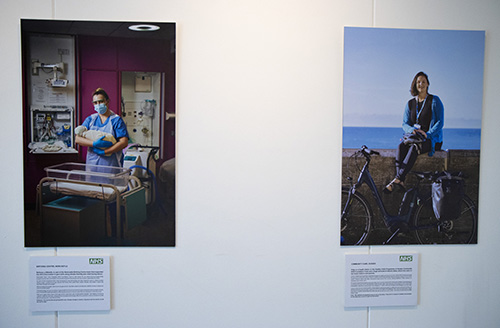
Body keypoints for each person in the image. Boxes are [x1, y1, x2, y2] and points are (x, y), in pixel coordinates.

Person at [384, 72, 444, 193]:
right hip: (415, 137)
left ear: (428, 84)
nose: (421, 84)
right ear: (415, 85)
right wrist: (413, 130)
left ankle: (398, 179)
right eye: (418, 82)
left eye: (423, 81)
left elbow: (439, 122)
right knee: (401, 146)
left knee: (414, 148)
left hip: (430, 140)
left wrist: (428, 134)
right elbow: (404, 124)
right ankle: (399, 179)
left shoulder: (434, 100)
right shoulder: (410, 103)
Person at [75, 88, 129, 167]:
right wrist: (94, 144)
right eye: (95, 102)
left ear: (107, 101)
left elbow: (124, 142)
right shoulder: (90, 119)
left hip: (111, 164)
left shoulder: (116, 120)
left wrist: (106, 151)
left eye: (101, 101)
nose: (98, 104)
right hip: (92, 163)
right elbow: (77, 139)